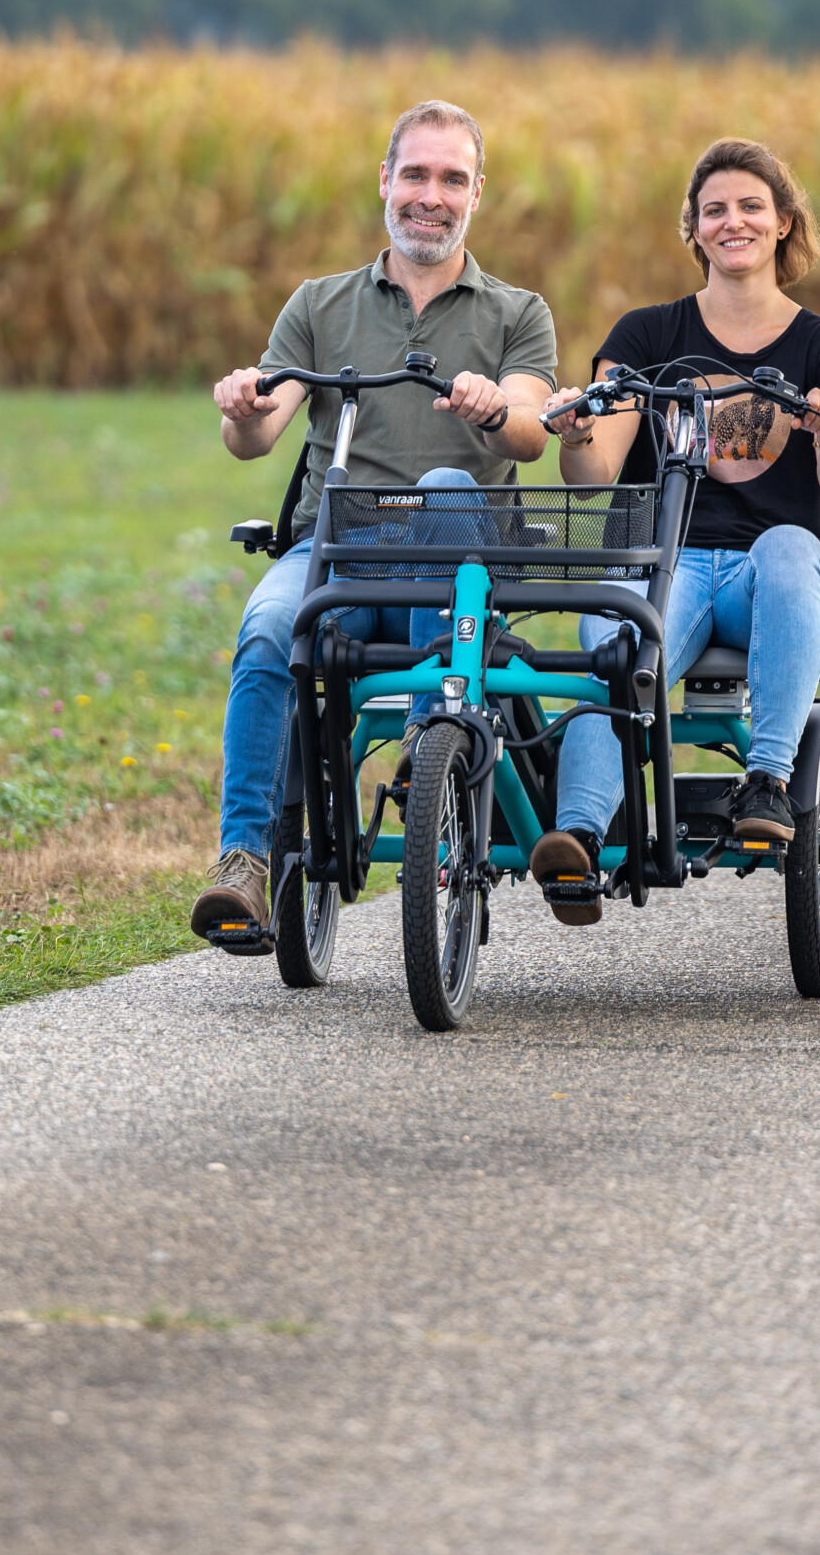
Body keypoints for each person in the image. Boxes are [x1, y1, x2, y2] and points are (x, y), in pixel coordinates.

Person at [192, 99, 558, 942]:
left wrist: (493, 407)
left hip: (453, 561)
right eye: (417, 175)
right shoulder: (320, 306)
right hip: (338, 550)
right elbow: (255, 436)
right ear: (385, 182)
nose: (432, 196)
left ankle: (437, 774)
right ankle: (243, 863)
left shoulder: (515, 312)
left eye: (453, 179)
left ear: (476, 196)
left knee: (441, 479)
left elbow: (535, 432)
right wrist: (242, 403)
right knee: (265, 636)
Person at [532, 136, 820, 923]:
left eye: (751, 207)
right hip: (672, 564)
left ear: (784, 223)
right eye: (714, 210)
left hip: (776, 580)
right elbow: (592, 475)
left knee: (792, 543)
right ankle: (578, 835)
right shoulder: (647, 337)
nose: (733, 223)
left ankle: (766, 782)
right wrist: (577, 432)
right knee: (617, 636)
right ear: (692, 228)